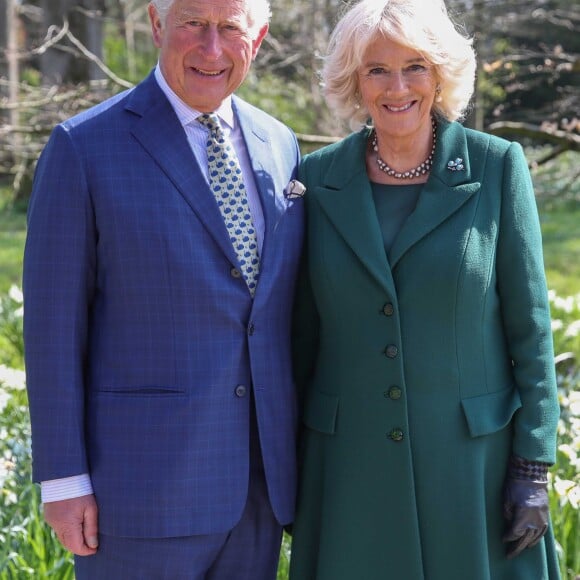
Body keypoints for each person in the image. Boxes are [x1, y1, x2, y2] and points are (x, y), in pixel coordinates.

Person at [23, 0, 304, 577]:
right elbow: (52, 331)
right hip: (138, 496)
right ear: (156, 24)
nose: (212, 48)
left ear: (260, 37)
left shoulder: (280, 144)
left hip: (258, 488)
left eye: (230, 28)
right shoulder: (83, 148)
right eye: (193, 24)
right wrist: (63, 479)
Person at [289, 0, 561, 578]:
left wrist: (533, 467)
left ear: (440, 73)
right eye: (376, 69)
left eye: (415, 65)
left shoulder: (496, 167)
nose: (397, 87)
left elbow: (531, 332)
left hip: (473, 471)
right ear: (353, 80)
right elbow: (300, 340)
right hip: (349, 468)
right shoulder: (315, 180)